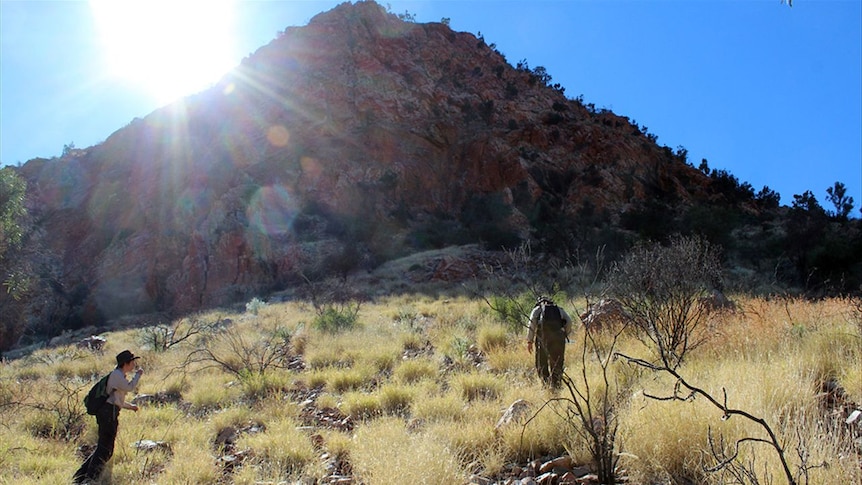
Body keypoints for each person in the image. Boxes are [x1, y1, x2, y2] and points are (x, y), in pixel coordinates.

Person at [73, 350, 143, 484]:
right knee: (105, 449)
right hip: (107, 415)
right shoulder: (117, 375)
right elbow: (129, 388)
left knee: (104, 448)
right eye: (132, 361)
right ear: (126, 363)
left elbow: (118, 401)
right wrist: (138, 375)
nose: (134, 364)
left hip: (109, 413)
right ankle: (90, 479)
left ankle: (81, 477)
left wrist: (131, 407)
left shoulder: (119, 375)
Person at [526, 296, 572, 389]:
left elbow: (531, 325)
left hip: (543, 338)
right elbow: (569, 322)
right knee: (557, 362)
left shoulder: (537, 310)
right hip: (558, 339)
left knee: (541, 362)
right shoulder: (559, 309)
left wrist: (529, 341)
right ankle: (557, 385)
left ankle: (545, 385)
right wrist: (564, 334)